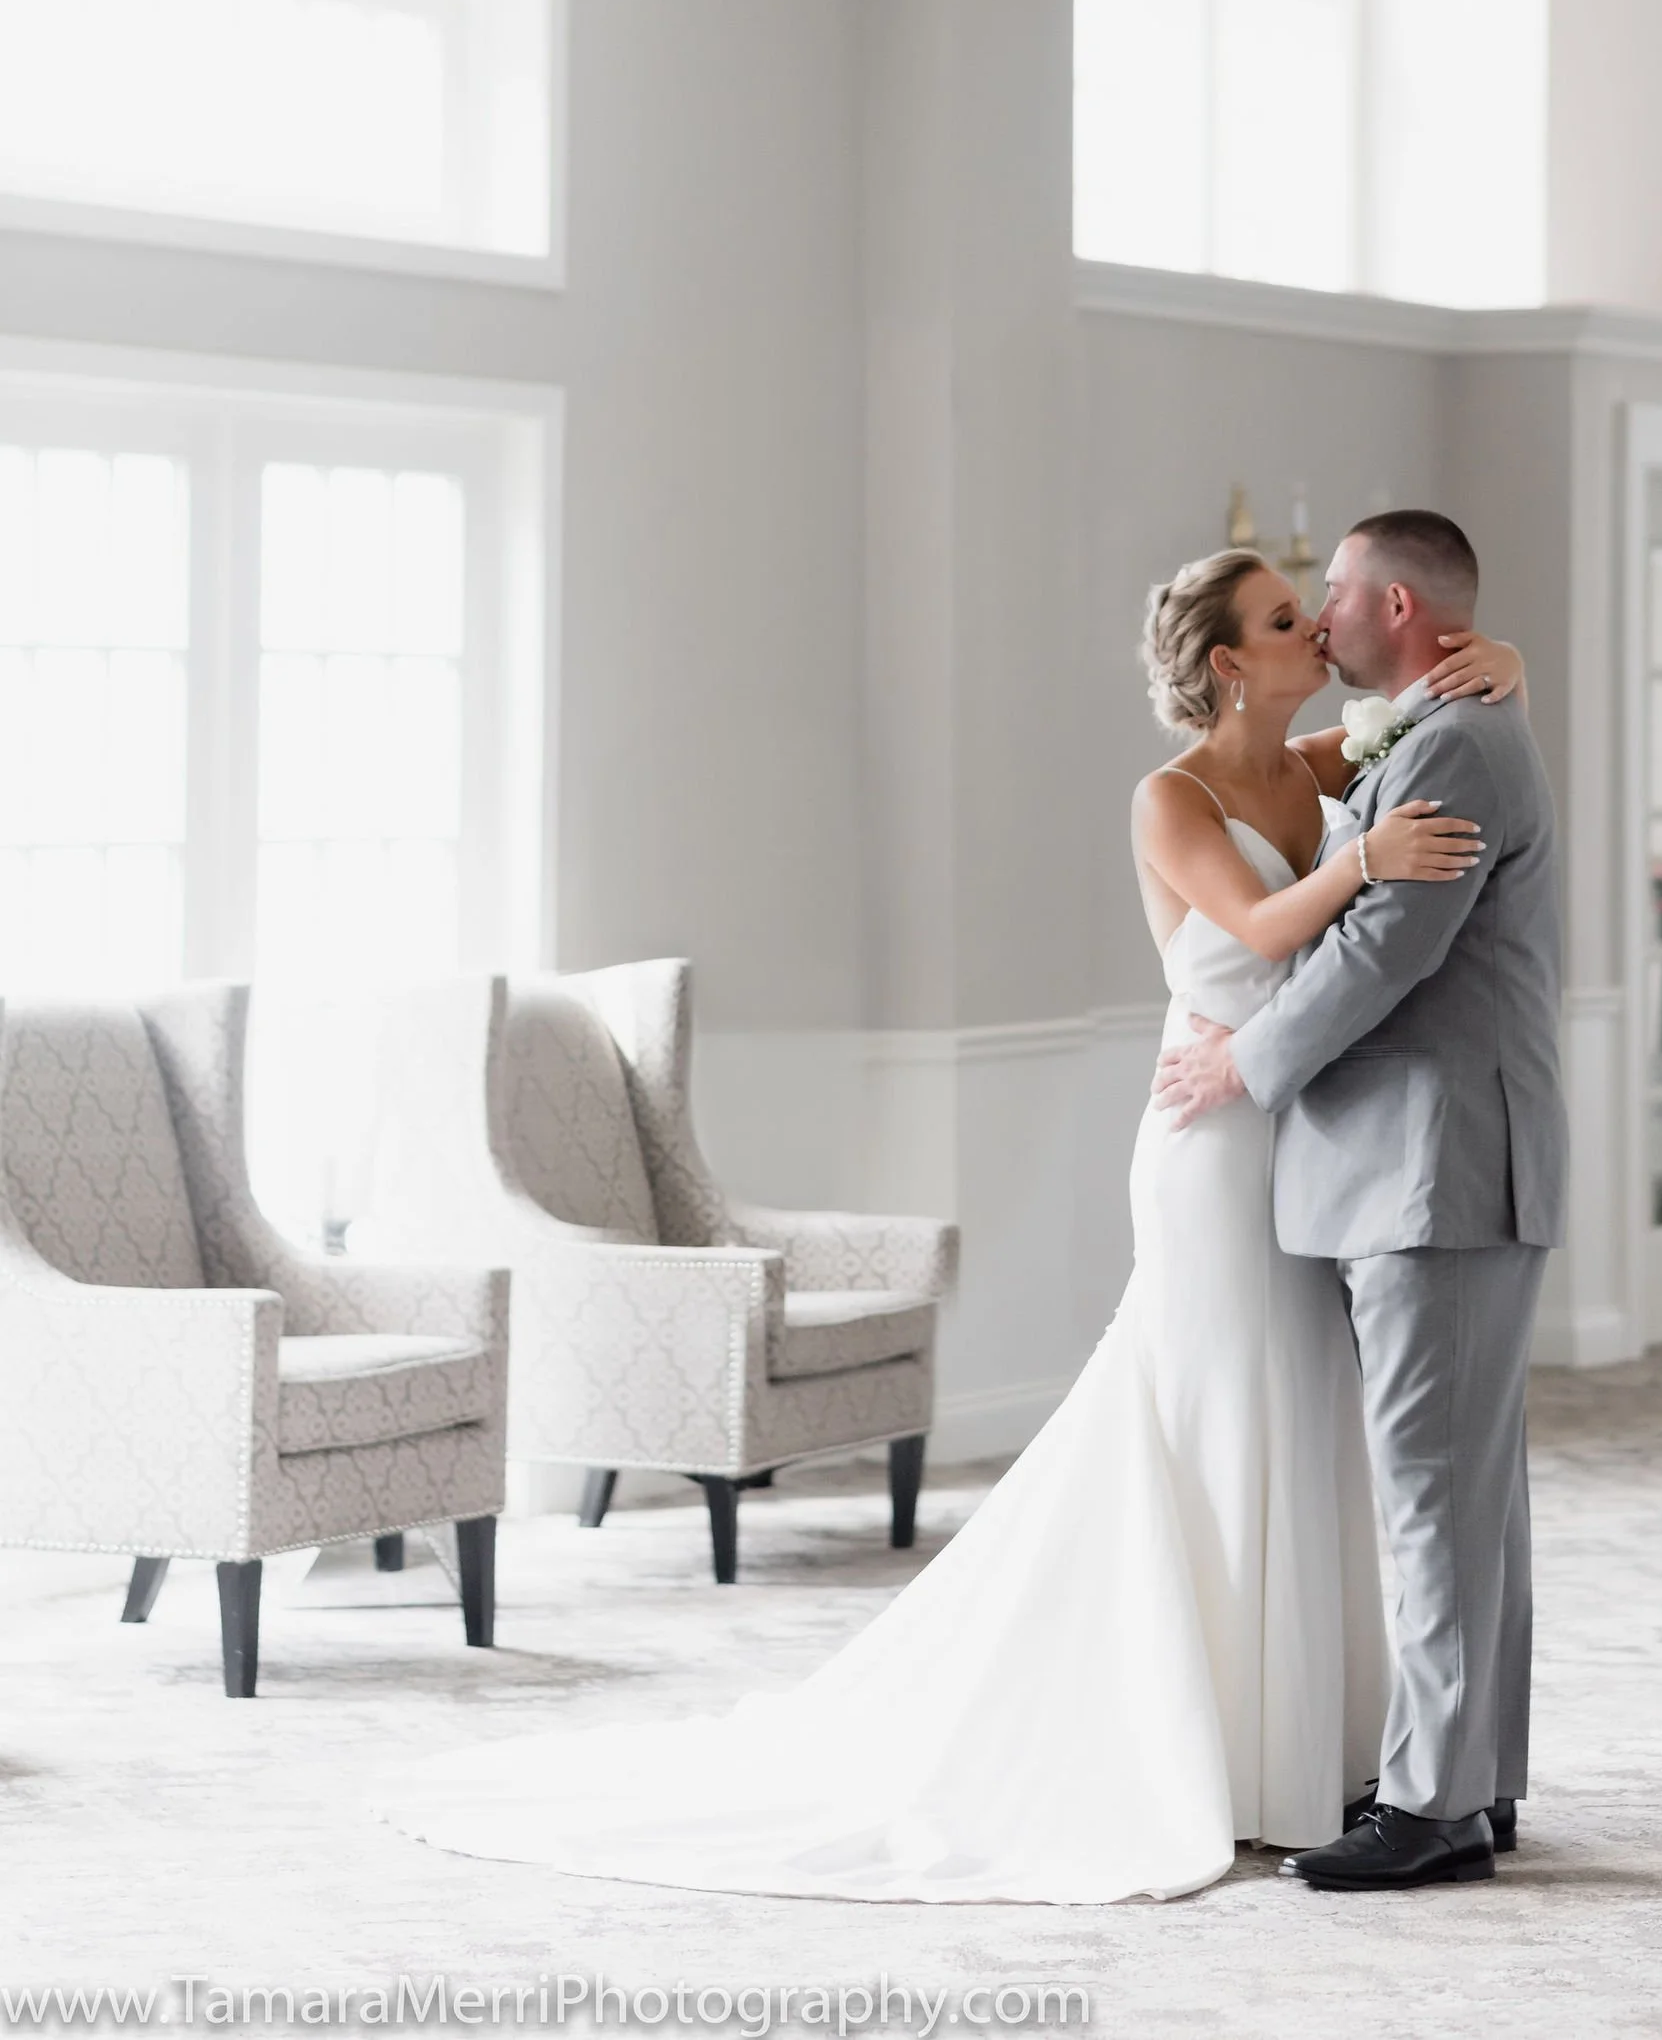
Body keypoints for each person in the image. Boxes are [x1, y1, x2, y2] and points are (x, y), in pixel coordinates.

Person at [374, 547, 1524, 1904]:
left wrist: (1507, 666)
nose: (1314, 630)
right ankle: (1206, 1744)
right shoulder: (1173, 797)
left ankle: (1310, 1744)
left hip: (1296, 1132)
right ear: (1227, 661)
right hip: (1211, 1138)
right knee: (1220, 1410)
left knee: (1304, 1416)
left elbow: (1409, 730)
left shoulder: (1314, 763)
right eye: (1286, 618)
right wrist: (1369, 864)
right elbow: (1268, 928)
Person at [1155, 510, 1566, 1894]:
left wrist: (1242, 1064)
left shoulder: (1447, 738)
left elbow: (1383, 950)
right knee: (1470, 1490)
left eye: (1329, 593)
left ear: (1394, 606)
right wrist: (1501, 652)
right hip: (1432, 1162)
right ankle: (1475, 1778)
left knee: (1438, 1495)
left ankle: (1438, 1803)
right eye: (1292, 608)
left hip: (1428, 1167)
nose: (1320, 615)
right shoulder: (1424, 724)